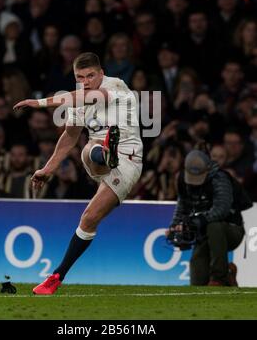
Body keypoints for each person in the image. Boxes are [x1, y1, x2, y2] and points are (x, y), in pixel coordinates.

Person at [13, 52, 143, 294]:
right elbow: (70, 134)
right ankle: (104, 153)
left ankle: (55, 277)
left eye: (91, 76)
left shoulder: (115, 85)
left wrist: (37, 102)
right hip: (100, 158)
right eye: (80, 77)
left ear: (101, 73)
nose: (85, 81)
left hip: (128, 159)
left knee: (88, 218)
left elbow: (91, 95)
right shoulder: (80, 97)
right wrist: (47, 169)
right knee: (86, 150)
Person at [167, 149, 246, 286]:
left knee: (213, 225)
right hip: (203, 233)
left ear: (207, 168)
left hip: (231, 230)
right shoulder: (182, 179)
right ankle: (229, 277)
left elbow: (221, 210)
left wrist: (196, 222)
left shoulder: (220, 179)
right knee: (197, 282)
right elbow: (182, 207)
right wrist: (175, 226)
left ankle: (219, 277)